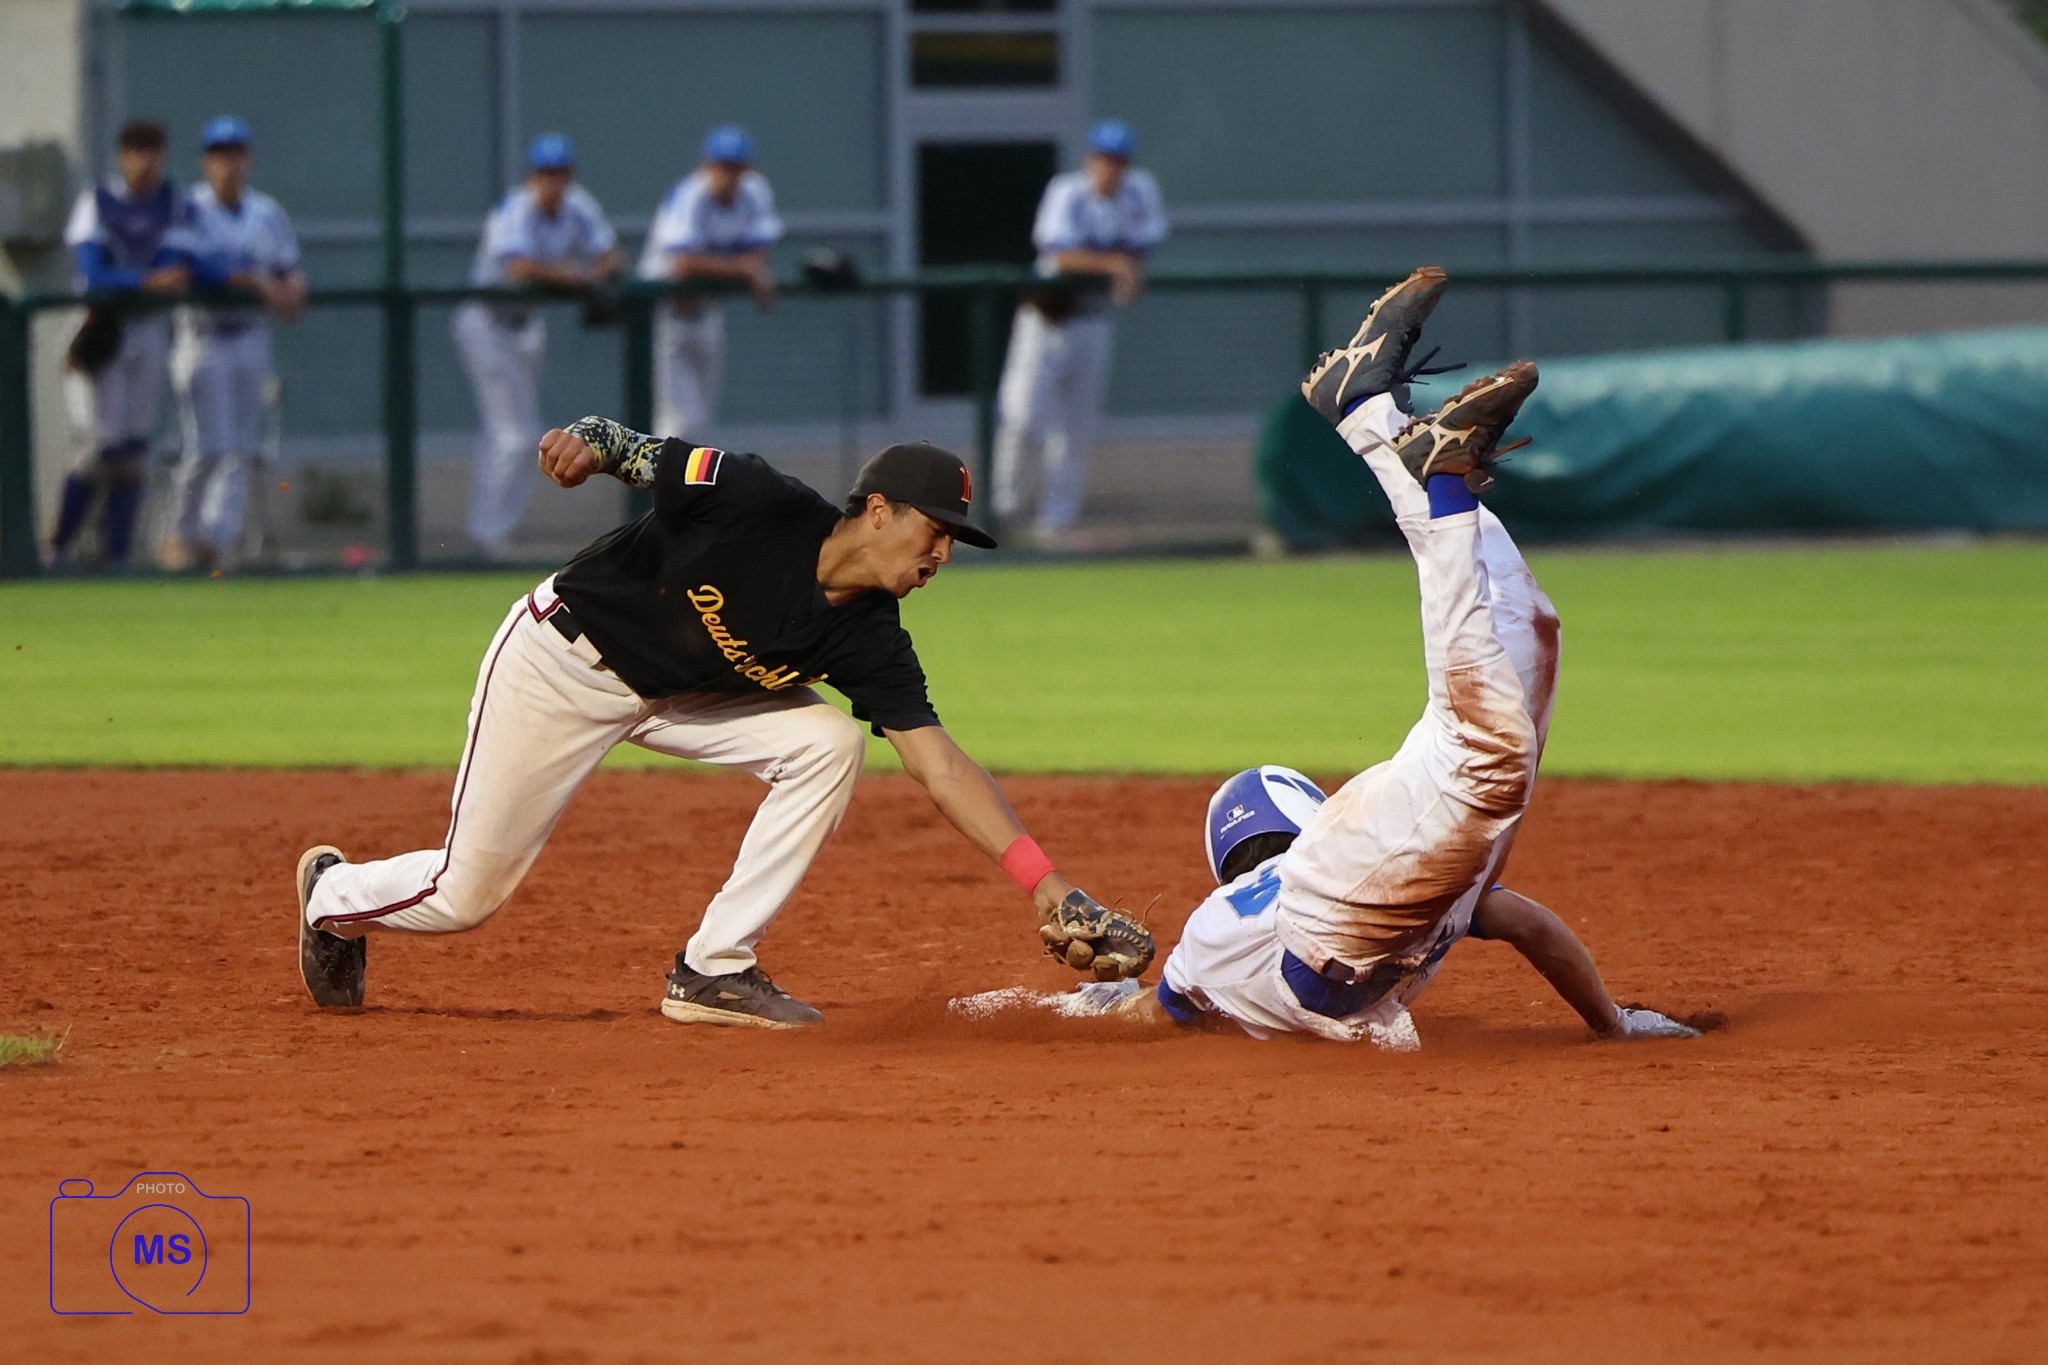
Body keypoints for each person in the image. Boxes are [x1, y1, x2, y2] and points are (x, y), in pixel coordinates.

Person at [970, 269, 1699, 1046]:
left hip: (1345, 889)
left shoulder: (1227, 922)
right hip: (1385, 826)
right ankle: (1371, 416)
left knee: (1493, 751)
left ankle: (1437, 477)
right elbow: (1533, 927)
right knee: (1530, 630)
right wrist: (1611, 1022)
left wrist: (1074, 1002)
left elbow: (1157, 1010)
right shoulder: (1403, 867)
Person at [293, 418, 1143, 1029]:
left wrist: (1049, 887)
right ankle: (332, 896)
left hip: (679, 697)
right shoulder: (758, 500)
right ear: (879, 510)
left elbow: (941, 765)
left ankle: (713, 969)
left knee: (829, 743)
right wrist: (586, 442)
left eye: (955, 541)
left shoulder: (871, 637)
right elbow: (634, 449)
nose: (942, 555)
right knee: (464, 895)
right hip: (564, 662)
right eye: (936, 530)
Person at [991, 119, 1168, 545]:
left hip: (1093, 319)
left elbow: (1142, 246)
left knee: (1075, 429)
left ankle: (1054, 523)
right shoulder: (1067, 191)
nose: (1111, 167)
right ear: (1091, 159)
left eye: (1119, 159)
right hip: (1048, 320)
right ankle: (1003, 513)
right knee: (1022, 417)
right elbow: (1062, 254)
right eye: (1105, 157)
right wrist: (1118, 267)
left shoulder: (1139, 192)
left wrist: (1126, 271)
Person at [452, 133, 623, 560]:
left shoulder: (578, 206)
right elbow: (520, 267)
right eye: (547, 173)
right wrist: (579, 278)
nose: (555, 182)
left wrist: (592, 273)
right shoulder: (516, 209)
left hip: (526, 325)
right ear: (534, 176)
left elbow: (611, 256)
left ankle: (490, 534)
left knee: (512, 436)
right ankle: (488, 537)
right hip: (486, 323)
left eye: (561, 173)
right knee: (514, 437)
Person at [48, 119, 199, 568]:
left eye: (153, 152)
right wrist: (146, 280)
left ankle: (117, 554)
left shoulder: (172, 203)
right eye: (137, 152)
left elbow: (176, 266)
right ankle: (57, 547)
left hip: (148, 327)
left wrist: (151, 281)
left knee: (135, 449)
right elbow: (94, 273)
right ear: (123, 156)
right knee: (101, 445)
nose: (146, 162)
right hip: (102, 326)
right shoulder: (98, 201)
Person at [163, 116, 307, 574]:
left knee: (240, 447)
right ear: (206, 163)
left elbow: (289, 270)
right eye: (219, 154)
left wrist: (290, 289)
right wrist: (252, 281)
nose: (228, 163)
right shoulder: (189, 208)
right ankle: (180, 534)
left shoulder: (266, 212)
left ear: (248, 160)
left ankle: (216, 541)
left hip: (249, 335)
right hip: (202, 336)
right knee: (207, 447)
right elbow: (188, 266)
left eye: (235, 153)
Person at [638, 124, 783, 441]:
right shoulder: (690, 194)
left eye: (735, 167)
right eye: (721, 166)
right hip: (665, 312)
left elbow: (757, 251)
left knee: (701, 422)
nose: (728, 175)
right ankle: (661, 474)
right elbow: (683, 263)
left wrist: (746, 267)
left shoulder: (754, 191)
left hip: (707, 310)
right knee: (678, 423)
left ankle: (682, 474)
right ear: (706, 165)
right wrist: (744, 268)